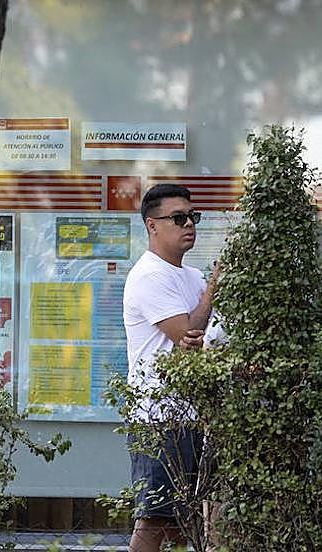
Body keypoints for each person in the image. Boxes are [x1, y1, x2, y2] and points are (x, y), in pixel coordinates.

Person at [123, 183, 217, 552]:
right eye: (178, 218)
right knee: (154, 519)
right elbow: (187, 335)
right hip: (157, 417)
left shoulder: (192, 277)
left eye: (193, 216)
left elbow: (210, 341)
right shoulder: (149, 275)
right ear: (152, 225)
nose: (189, 224)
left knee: (181, 521)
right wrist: (212, 293)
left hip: (191, 415)